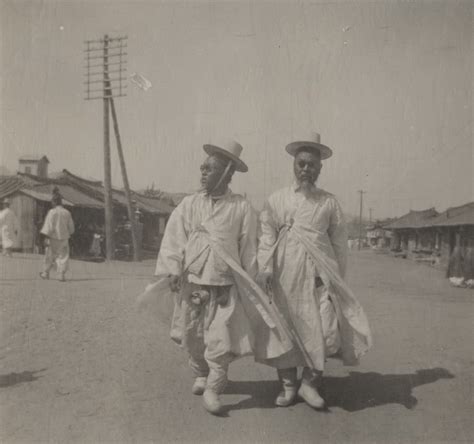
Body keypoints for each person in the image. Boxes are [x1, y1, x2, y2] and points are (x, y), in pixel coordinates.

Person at [144, 140, 292, 415]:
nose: (202, 173)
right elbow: (174, 238)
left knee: (220, 341)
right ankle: (201, 373)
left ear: (226, 174)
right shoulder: (189, 204)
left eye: (209, 169)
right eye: (202, 168)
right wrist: (174, 268)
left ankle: (214, 390)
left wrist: (254, 279)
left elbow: (249, 247)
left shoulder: (241, 208)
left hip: (224, 287)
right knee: (193, 335)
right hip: (194, 283)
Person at [257, 132, 372, 410]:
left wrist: (336, 278)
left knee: (322, 330)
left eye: (311, 165)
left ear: (320, 168)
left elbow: (339, 244)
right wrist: (265, 268)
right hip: (285, 276)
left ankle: (309, 384)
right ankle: (287, 386)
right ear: (293, 165)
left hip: (321, 276)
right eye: (301, 164)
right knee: (285, 330)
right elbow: (266, 236)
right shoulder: (277, 199)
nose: (305, 169)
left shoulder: (329, 202)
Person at [39, 190, 75, 281]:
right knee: (63, 256)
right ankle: (61, 274)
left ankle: (45, 273)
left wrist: (46, 237)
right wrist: (69, 233)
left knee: (49, 255)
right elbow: (71, 227)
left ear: (54, 202)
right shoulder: (67, 212)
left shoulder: (52, 212)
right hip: (64, 237)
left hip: (53, 237)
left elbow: (49, 226)